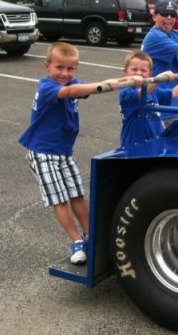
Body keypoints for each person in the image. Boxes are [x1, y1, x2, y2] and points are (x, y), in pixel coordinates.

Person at [19, 42, 136, 265]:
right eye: (59, 68)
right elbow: (73, 92)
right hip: (42, 152)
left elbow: (94, 85)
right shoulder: (47, 88)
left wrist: (129, 81)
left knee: (77, 196)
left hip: (63, 151)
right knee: (60, 199)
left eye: (70, 69)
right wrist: (107, 85)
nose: (64, 74)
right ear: (47, 66)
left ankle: (90, 235)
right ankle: (76, 241)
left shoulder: (72, 82)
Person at [119, 50, 178, 148]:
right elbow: (141, 93)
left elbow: (173, 94)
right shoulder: (126, 92)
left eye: (143, 70)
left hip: (155, 142)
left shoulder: (153, 91)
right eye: (134, 69)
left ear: (149, 74)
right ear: (125, 72)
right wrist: (158, 79)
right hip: (134, 145)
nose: (138, 73)